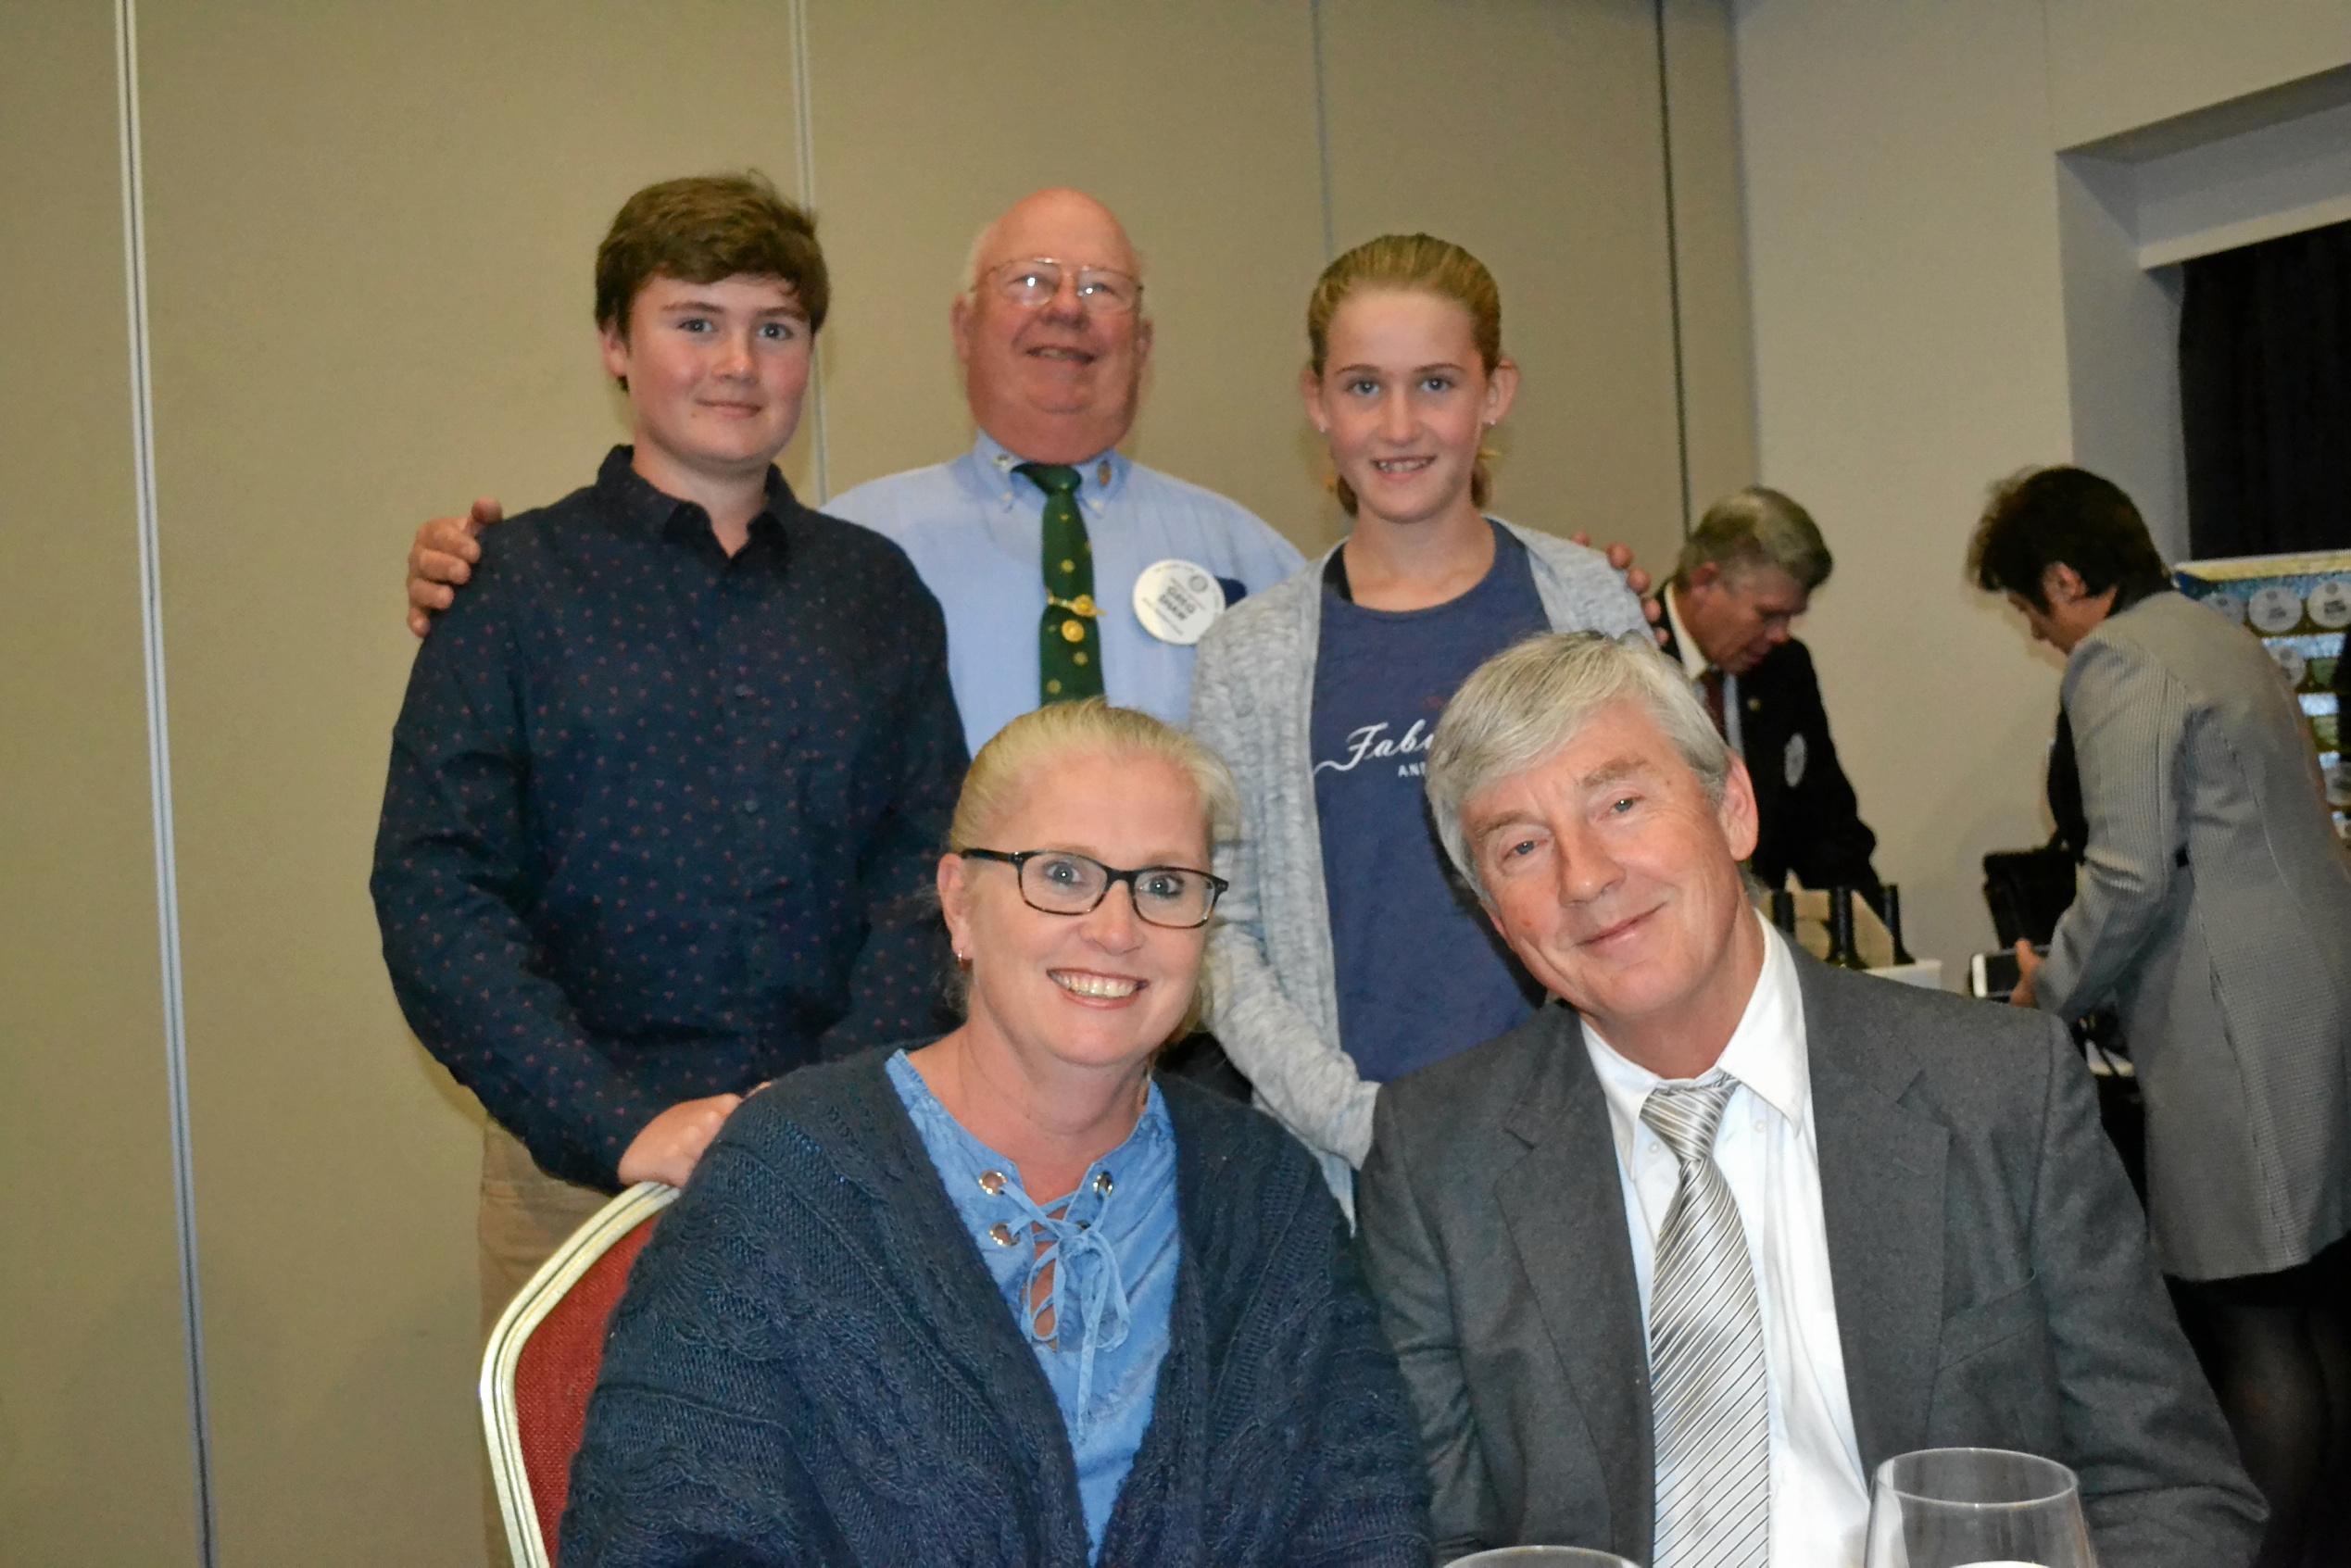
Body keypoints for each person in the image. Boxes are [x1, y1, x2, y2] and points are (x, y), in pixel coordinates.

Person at [1356, 630, 2263, 1567]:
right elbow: (1428, 1533)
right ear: (1494, 913)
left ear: (1734, 808)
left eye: (1621, 803)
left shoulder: (1998, 1091)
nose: (1585, 877)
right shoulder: (1437, 1158)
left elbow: (2169, 1489)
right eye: (1521, 847)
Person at [557, 701, 1433, 1566]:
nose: (1117, 928)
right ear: (960, 904)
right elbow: (662, 1539)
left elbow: (1369, 1521)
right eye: (1061, 873)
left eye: (1164, 884)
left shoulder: (1267, 1193)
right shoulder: (784, 1175)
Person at [370, 173, 965, 1331]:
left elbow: (928, 874)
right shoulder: (509, 591)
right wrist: (619, 1121)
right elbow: (437, 890)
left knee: (846, 1509)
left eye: (775, 329)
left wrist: (821, 1109)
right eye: (696, 321)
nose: (737, 364)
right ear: (615, 344)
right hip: (577, 1176)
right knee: (587, 1509)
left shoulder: (877, 593)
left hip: (844, 1167)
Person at [402, 187, 1304, 757]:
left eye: (1102, 287)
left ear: (1144, 340)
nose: (1066, 310)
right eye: (1030, 282)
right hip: (925, 1019)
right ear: (962, 327)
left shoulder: (1255, 558)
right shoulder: (852, 552)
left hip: (1201, 1024)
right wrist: (479, 574)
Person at [1189, 233, 1646, 1203]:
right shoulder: (1251, 655)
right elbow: (1223, 927)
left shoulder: (1585, 600)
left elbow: (1663, 859)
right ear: (1317, 400)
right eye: (1363, 387)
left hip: (1588, 1153)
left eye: (1436, 383)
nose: (1399, 424)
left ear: (1496, 393)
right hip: (1359, 1172)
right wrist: (1358, 1123)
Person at [1971, 464, 2351, 1568]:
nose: (2039, 635)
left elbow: (2129, 875)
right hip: (2313, 1000)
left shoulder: (2121, 658)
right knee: (2319, 1302)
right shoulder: (2216, 634)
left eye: (2030, 607)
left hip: (2238, 1026)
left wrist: (2049, 994)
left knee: (2251, 1319)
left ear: (2066, 578)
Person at [1655, 485, 1880, 898]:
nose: (1780, 636)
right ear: (1705, 582)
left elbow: (1826, 828)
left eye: (1791, 618)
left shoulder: (1786, 669)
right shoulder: (1633, 656)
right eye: (1768, 615)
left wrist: (1873, 943)